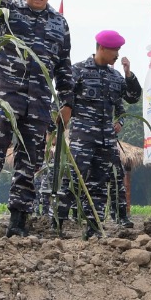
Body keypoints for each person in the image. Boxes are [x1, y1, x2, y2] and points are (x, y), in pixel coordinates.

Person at [0, 0, 74, 237]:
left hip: (39, 102)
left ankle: (18, 223)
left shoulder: (59, 23)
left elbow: (64, 65)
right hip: (5, 97)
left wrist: (67, 102)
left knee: (29, 163)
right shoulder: (10, 11)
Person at [58, 30, 141, 238]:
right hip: (82, 138)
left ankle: (93, 227)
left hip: (106, 140)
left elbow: (132, 97)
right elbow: (63, 96)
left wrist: (129, 74)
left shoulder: (115, 76)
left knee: (100, 183)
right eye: (115, 50)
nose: (117, 54)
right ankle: (57, 222)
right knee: (73, 180)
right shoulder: (79, 70)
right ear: (102, 48)